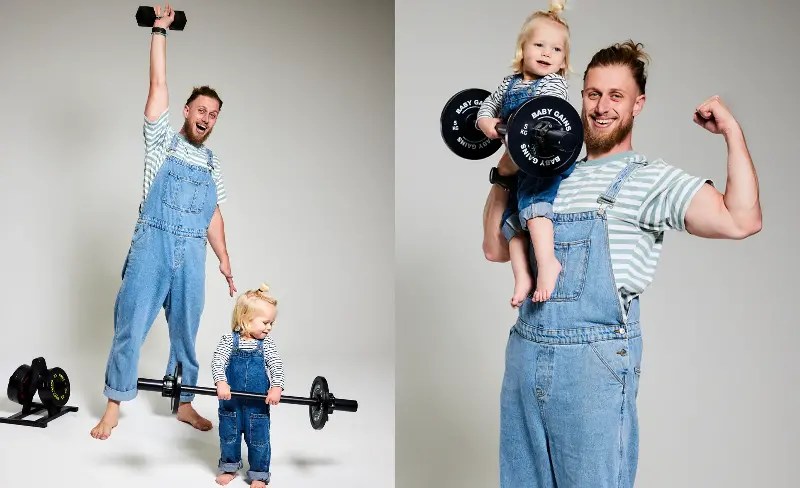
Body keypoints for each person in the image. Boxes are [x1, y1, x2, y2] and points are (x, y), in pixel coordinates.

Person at [481, 40, 761, 487]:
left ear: (637, 104)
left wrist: (731, 131)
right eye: (593, 94)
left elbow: (741, 219)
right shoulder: (548, 174)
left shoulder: (650, 178)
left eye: (616, 96)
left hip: (591, 367)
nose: (601, 107)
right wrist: (506, 170)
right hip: (524, 355)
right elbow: (495, 248)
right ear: (580, 97)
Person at [91, 3, 238, 440]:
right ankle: (113, 406)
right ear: (186, 110)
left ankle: (185, 403)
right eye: (201, 109)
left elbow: (213, 213)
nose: (206, 118)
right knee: (131, 323)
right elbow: (158, 84)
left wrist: (224, 259)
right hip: (152, 245)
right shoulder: (161, 143)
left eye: (213, 114)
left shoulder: (212, 163)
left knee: (186, 331)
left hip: (192, 251)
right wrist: (160, 31)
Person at [476, 0, 573, 307]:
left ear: (564, 59)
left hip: (544, 161)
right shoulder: (508, 85)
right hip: (519, 163)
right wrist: (486, 122)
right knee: (512, 220)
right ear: (522, 48)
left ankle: (547, 263)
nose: (547, 53)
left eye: (556, 49)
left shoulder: (554, 84)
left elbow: (549, 110)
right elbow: (487, 106)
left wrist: (521, 128)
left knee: (533, 206)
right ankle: (522, 277)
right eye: (539, 45)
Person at [211, 283, 285, 487]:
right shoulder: (228, 341)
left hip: (257, 406)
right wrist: (221, 382)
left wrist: (276, 387)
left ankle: (259, 474)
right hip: (231, 403)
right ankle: (229, 467)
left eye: (272, 323)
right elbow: (218, 361)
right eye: (265, 322)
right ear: (245, 319)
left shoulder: (266, 345)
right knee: (229, 437)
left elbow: (276, 366)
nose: (269, 327)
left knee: (259, 440)